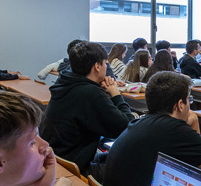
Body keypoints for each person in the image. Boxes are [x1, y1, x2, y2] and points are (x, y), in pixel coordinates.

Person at [40, 41, 133, 176]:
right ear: (97, 66)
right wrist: (115, 94)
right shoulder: (90, 93)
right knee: (132, 165)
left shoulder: (64, 83)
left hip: (58, 160)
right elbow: (126, 127)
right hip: (75, 169)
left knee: (110, 156)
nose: (106, 67)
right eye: (105, 63)